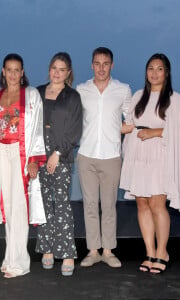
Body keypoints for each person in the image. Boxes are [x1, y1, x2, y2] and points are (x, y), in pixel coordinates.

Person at [0, 53, 46, 279]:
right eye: (9, 69)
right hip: (0, 155)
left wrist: (34, 159)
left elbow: (37, 128)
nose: (13, 74)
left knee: (19, 208)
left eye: (17, 70)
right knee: (7, 208)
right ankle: (9, 258)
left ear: (23, 72)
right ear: (3, 71)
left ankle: (20, 262)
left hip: (21, 155)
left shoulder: (32, 95)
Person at [120, 53, 178, 274]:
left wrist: (155, 132)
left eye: (159, 68)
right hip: (138, 156)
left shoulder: (174, 99)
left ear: (166, 72)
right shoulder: (138, 96)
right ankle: (150, 252)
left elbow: (178, 131)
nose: (154, 72)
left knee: (157, 205)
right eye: (150, 68)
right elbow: (130, 125)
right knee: (142, 205)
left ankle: (163, 252)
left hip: (160, 157)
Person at [76, 47, 132, 268]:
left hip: (111, 156)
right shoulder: (81, 90)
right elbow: (73, 119)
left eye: (105, 63)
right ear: (91, 65)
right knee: (89, 205)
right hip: (86, 155)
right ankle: (92, 251)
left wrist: (115, 129)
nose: (101, 68)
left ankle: (108, 251)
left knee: (109, 205)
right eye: (97, 63)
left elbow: (131, 120)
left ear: (112, 65)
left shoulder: (123, 90)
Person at [35, 52, 82, 276]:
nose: (57, 72)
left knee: (61, 203)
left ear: (68, 72)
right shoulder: (37, 92)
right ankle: (46, 249)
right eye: (54, 67)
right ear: (49, 69)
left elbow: (75, 130)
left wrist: (56, 153)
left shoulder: (73, 97)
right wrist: (35, 156)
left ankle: (67, 253)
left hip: (60, 154)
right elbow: (31, 124)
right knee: (43, 202)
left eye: (62, 69)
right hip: (38, 152)